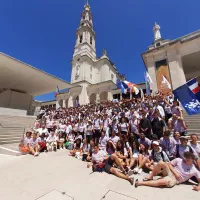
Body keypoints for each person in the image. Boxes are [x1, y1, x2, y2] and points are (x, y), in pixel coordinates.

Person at [135, 152, 200, 191]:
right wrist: (175, 172)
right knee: (161, 162)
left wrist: (198, 187)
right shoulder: (179, 160)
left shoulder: (194, 170)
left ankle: (141, 183)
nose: (185, 160)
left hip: (175, 179)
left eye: (187, 159)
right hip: (170, 172)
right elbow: (169, 164)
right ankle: (151, 176)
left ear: (192, 160)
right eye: (185, 158)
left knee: (165, 181)